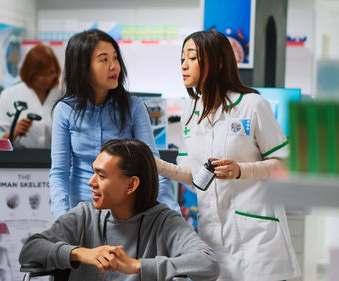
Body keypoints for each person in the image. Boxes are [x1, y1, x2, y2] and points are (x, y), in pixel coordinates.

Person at [155, 30, 301, 280]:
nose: (184, 65)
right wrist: (155, 165)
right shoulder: (190, 111)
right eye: (182, 59)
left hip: (257, 236)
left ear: (218, 61)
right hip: (213, 237)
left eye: (192, 58)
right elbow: (195, 179)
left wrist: (241, 170)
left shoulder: (252, 104)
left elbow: (284, 163)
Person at [20, 139, 220, 281]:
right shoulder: (84, 215)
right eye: (94, 173)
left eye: (102, 176)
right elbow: (31, 249)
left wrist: (138, 266)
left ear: (131, 185)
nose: (91, 182)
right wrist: (79, 253)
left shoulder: (164, 221)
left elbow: (208, 263)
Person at [50, 29, 180, 219]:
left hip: (127, 214)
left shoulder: (133, 107)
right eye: (104, 60)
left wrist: (171, 213)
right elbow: (60, 173)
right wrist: (62, 219)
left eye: (115, 58)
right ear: (82, 67)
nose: (114, 66)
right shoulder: (65, 110)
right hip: (82, 213)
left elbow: (152, 166)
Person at [0, 44, 62, 148]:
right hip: (19, 160)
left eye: (52, 73)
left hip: (52, 160)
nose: (48, 79)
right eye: (42, 75)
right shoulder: (9, 95)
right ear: (30, 73)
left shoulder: (62, 94)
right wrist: (13, 132)